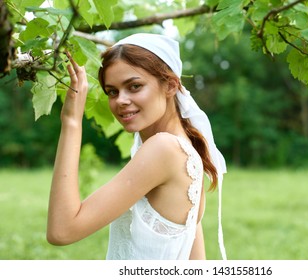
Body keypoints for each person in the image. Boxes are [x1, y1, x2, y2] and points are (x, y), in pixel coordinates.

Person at [47, 33, 227, 260]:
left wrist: (72, 121)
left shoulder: (164, 149)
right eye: (112, 91)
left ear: (170, 85)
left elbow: (61, 231)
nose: (121, 100)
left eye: (134, 86)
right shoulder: (186, 150)